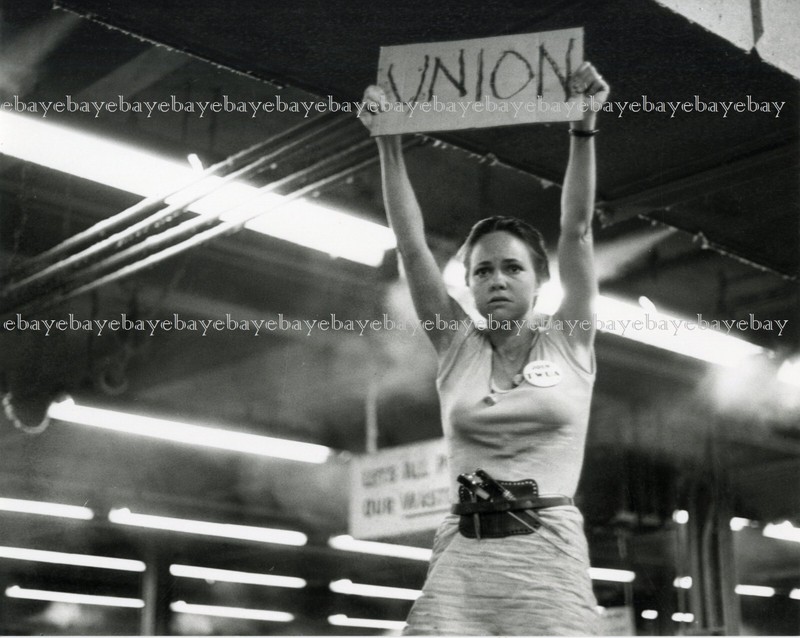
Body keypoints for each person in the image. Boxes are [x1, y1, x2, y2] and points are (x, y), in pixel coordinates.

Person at [360, 61, 610, 636]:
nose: (497, 279)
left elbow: (576, 231)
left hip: (548, 555)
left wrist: (583, 123)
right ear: (468, 284)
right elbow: (411, 246)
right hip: (464, 556)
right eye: (483, 270)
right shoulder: (455, 344)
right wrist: (388, 143)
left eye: (512, 268)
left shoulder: (570, 337)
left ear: (538, 281)